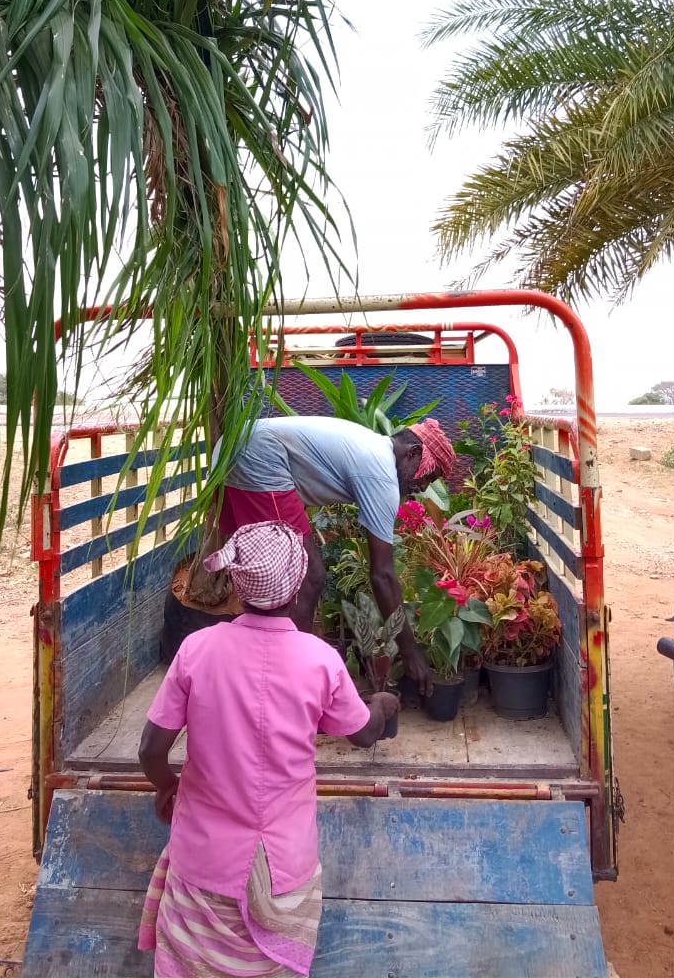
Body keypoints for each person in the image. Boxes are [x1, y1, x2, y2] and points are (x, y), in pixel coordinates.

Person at [138, 520, 398, 978]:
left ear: (237, 584)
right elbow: (362, 733)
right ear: (298, 588)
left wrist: (169, 786)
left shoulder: (196, 649)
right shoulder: (320, 660)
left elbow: (150, 751)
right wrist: (382, 705)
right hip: (284, 870)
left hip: (204, 861)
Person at [210, 414, 456, 695]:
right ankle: (289, 683)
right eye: (428, 476)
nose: (423, 488)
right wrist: (411, 651)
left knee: (271, 580)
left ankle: (259, 670)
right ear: (413, 453)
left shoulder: (373, 449)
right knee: (307, 576)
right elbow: (382, 575)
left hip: (237, 448)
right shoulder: (381, 472)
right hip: (256, 455)